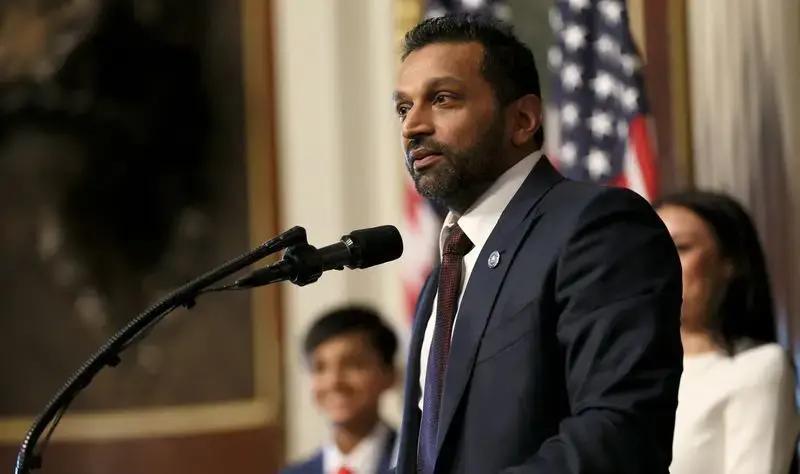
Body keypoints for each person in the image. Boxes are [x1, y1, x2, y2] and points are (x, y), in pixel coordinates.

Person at [392, 14, 683, 474]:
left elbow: (620, 433)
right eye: (404, 108)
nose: (413, 126)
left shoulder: (596, 228)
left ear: (523, 119)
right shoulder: (446, 271)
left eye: (442, 99)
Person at [655, 191, 799, 474]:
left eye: (680, 247)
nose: (657, 262)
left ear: (729, 264)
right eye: (649, 247)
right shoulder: (617, 368)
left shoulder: (755, 369)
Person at [281, 306, 399, 474]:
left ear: (390, 374)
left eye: (353, 365)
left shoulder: (419, 464)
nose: (334, 382)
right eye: (320, 368)